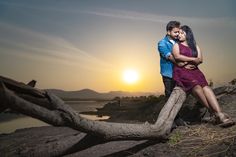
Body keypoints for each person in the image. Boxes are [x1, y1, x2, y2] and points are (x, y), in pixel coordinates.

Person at [172, 25, 235, 127]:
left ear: (188, 34)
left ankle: (219, 114)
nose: (179, 35)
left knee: (206, 88)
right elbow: (177, 56)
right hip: (182, 71)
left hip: (196, 71)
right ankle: (215, 114)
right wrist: (192, 60)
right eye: (178, 33)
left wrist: (194, 62)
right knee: (196, 87)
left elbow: (200, 59)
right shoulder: (176, 45)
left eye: (182, 33)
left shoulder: (195, 46)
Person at [157, 21, 181, 98]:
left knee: (179, 95)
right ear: (168, 32)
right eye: (175, 32)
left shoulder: (180, 42)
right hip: (168, 75)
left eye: (178, 32)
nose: (177, 34)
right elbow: (170, 57)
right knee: (169, 96)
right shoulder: (162, 43)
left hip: (180, 73)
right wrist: (183, 64)